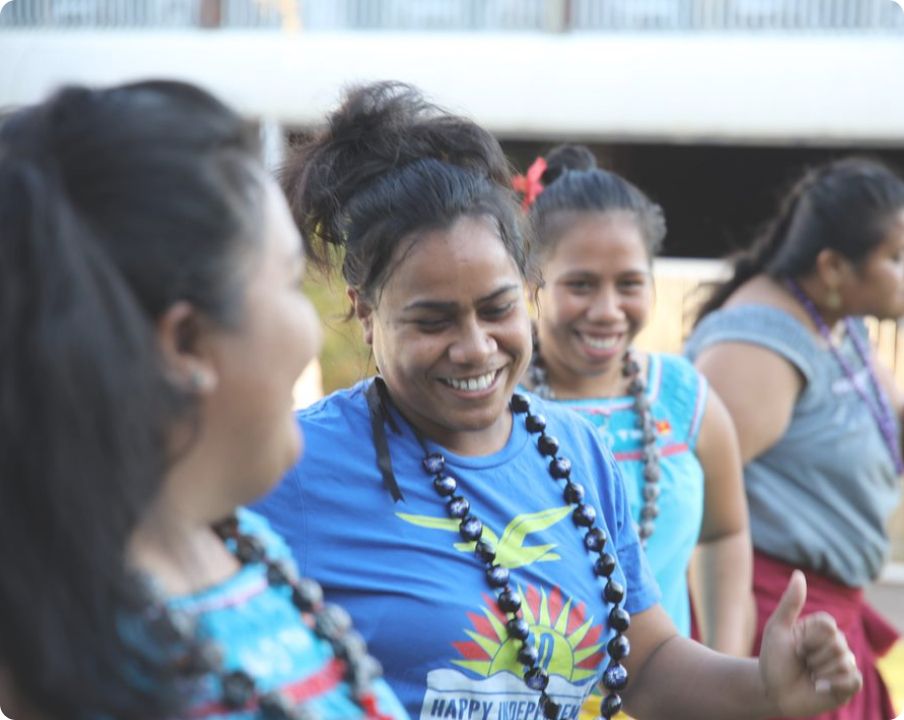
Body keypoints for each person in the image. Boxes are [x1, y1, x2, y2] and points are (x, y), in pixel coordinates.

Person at [254, 81, 863, 720]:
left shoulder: (575, 451)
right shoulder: (294, 464)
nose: (475, 347)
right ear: (366, 312)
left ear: (530, 289)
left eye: (498, 308)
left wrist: (766, 687)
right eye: (432, 321)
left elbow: (647, 664)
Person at [0, 80, 406, 720]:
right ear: (187, 342)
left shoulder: (237, 542)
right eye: (290, 281)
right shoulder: (98, 665)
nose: (314, 325)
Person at [685, 157, 904, 719]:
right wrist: (724, 669)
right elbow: (692, 504)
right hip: (775, 633)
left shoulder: (836, 320)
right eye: (896, 259)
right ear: (832, 266)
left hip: (824, 627)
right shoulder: (758, 349)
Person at [520, 144, 753, 656]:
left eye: (629, 284)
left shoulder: (684, 398)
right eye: (580, 285)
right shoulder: (498, 407)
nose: (607, 311)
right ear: (532, 283)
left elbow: (725, 534)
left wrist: (727, 673)